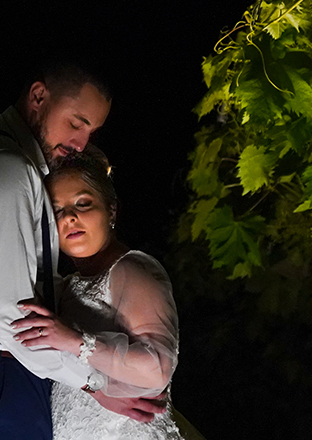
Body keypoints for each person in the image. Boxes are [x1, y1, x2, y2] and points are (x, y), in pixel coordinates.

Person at [0, 64, 166, 440]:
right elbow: (6, 313)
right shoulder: (4, 167)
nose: (80, 143)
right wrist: (93, 383)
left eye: (91, 132)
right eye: (76, 123)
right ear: (38, 96)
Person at [12, 146, 186, 440]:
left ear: (111, 210)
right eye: (56, 210)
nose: (69, 217)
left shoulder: (132, 269)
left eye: (82, 204)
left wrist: (75, 341)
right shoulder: (66, 287)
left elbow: (157, 369)